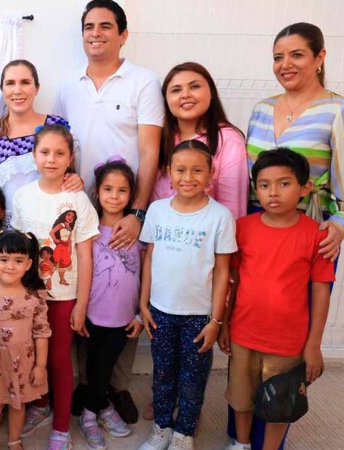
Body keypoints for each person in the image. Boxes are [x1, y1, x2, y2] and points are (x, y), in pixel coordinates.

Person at [239, 23, 344, 448]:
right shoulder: (260, 108)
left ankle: (271, 435)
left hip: (308, 236)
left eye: (296, 55)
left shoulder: (340, 109)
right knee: (251, 342)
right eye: (278, 57)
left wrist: (340, 226)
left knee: (289, 350)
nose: (285, 65)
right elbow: (247, 179)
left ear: (320, 57)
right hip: (257, 237)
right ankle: (241, 434)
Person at [53, 1, 164, 423]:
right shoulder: (68, 85)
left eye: (105, 26)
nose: (95, 33)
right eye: (88, 27)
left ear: (123, 34)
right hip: (81, 207)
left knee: (122, 287)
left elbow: (151, 148)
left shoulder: (143, 82)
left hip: (124, 207)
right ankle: (86, 385)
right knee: (85, 286)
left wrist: (138, 210)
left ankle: (113, 387)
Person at [220, 148, 334, 450]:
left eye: (284, 183)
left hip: (288, 344)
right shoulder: (243, 228)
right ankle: (241, 443)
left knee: (280, 404)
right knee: (241, 399)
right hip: (244, 334)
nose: (273, 192)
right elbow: (234, 281)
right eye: (264, 184)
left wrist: (314, 344)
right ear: (255, 188)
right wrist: (223, 325)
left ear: (305, 188)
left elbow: (321, 290)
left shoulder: (316, 235)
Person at [137, 140, 236, 450]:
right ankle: (162, 427)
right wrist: (143, 302)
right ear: (169, 173)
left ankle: (184, 434)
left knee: (193, 381)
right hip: (161, 311)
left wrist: (216, 320)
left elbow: (222, 272)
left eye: (197, 170)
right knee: (163, 374)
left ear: (211, 174)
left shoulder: (220, 217)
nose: (188, 177)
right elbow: (149, 258)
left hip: (199, 316)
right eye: (180, 170)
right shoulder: (157, 210)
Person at [11, 124, 99, 449]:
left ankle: (61, 427)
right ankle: (41, 405)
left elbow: (86, 256)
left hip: (64, 297)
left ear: (70, 158)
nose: (51, 159)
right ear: (34, 155)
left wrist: (81, 304)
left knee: (59, 360)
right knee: (33, 355)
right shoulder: (22, 196)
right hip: (30, 296)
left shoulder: (78, 199)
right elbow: (17, 251)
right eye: (45, 152)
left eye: (59, 153)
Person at [0, 60, 82, 274]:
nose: (18, 90)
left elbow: (70, 173)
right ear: (2, 89)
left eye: (25, 82)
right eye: (10, 83)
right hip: (2, 240)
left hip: (46, 232)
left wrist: (77, 179)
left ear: (36, 88)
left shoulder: (56, 127)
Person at [80, 157, 144, 448]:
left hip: (124, 315)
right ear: (98, 193)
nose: (114, 196)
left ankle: (93, 411)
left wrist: (141, 314)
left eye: (122, 190)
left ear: (131, 194)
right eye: (108, 189)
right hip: (93, 314)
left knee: (105, 365)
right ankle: (95, 412)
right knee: (95, 365)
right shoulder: (89, 231)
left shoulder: (138, 232)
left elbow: (149, 274)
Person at [0, 230, 51, 450]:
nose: (10, 266)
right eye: (4, 259)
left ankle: (15, 440)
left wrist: (40, 366)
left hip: (22, 363)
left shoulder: (34, 297)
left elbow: (41, 333)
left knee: (18, 405)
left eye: (18, 260)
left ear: (28, 264)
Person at [155, 62, 248, 219]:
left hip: (206, 239)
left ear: (211, 93)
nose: (185, 94)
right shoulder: (157, 138)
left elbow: (232, 209)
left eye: (194, 87)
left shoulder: (228, 140)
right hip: (158, 238)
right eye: (176, 90)